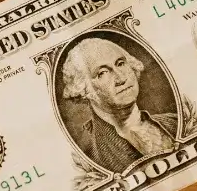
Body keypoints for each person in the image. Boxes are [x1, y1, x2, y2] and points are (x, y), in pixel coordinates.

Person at [61, 37, 177, 173]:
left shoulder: (174, 122)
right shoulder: (91, 158)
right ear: (83, 89)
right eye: (102, 73)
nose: (121, 78)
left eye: (121, 64)